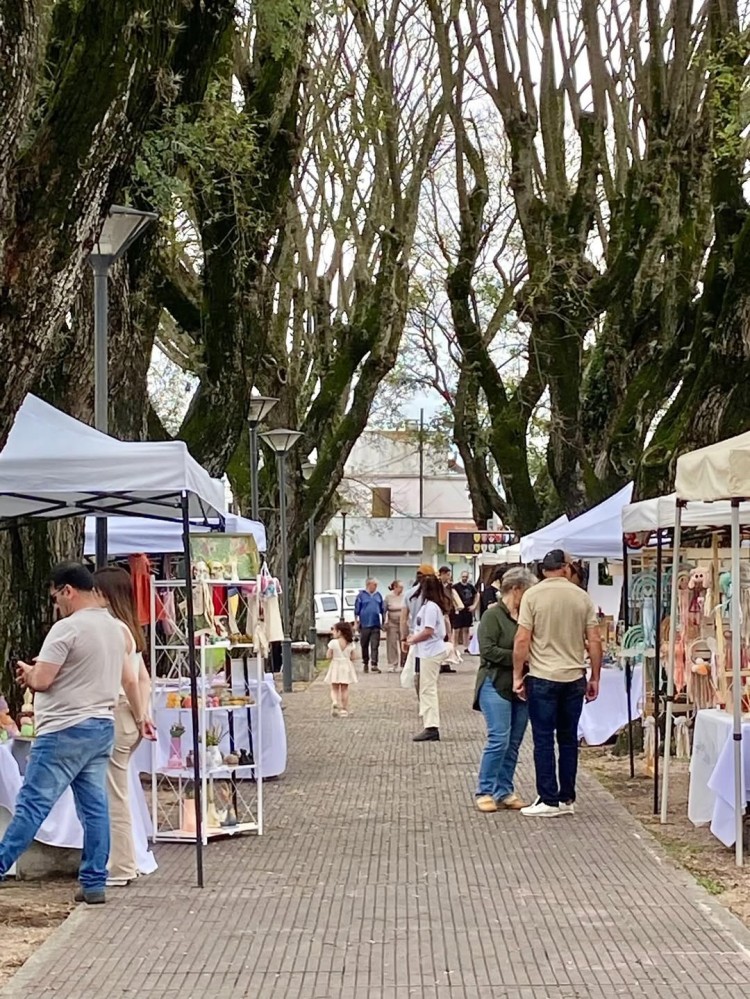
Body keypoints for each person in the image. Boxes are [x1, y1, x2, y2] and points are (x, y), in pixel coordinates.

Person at [0, 562, 129, 904]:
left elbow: (43, 681)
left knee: (31, 805)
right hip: (102, 725)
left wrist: (29, 673)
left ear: (68, 590)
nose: (56, 604)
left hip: (63, 729)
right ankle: (94, 881)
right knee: (95, 808)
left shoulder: (65, 629)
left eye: (56, 596)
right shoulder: (117, 629)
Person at [512, 549, 602, 818]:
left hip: (543, 676)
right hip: (574, 676)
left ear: (543, 570)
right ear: (565, 568)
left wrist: (518, 674)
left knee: (542, 739)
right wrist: (595, 675)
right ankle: (567, 797)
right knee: (568, 739)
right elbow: (595, 641)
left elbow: (522, 639)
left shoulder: (533, 596)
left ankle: (548, 798)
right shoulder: (581, 597)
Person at [93, 567, 155, 887]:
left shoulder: (112, 630)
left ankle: (122, 866)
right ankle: (124, 861)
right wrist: (142, 714)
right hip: (128, 715)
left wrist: (136, 711)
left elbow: (130, 680)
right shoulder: (128, 629)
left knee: (114, 795)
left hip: (117, 712)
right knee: (119, 792)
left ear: (104, 594)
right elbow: (143, 678)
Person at [473, 567, 537, 812]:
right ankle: (485, 790)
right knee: (499, 738)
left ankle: (505, 790)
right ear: (516, 589)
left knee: (514, 741)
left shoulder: (524, 616)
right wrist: (520, 656)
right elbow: (488, 650)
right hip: (495, 682)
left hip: (521, 684)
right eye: (528, 591)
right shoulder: (493, 616)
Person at [406, 574, 450, 742]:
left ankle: (432, 726)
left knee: (427, 689)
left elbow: (428, 630)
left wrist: (412, 640)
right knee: (425, 687)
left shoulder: (431, 607)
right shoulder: (430, 606)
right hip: (426, 651)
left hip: (431, 651)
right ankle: (429, 722)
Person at [324, 622, 358, 716]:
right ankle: (344, 709)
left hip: (336, 665)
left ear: (339, 632)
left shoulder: (333, 643)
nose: (333, 632)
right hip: (346, 665)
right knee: (344, 688)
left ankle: (335, 702)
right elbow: (354, 657)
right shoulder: (350, 643)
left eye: (334, 630)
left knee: (334, 687)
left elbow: (328, 655)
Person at [354, 578, 384, 673]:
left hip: (375, 624)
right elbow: (356, 610)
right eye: (374, 585)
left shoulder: (378, 595)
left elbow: (382, 610)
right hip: (365, 624)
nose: (375, 587)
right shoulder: (361, 596)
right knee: (364, 644)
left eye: (376, 585)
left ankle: (374, 664)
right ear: (368, 585)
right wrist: (356, 622)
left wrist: (383, 621)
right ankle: (365, 662)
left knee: (375, 645)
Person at [438, 565, 458, 674]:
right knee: (442, 638)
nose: (449, 577)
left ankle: (447, 663)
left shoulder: (450, 587)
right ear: (442, 574)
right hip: (441, 614)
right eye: (447, 574)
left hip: (450, 613)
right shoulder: (437, 586)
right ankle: (441, 663)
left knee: (449, 639)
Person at [452, 569, 478, 649]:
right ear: (460, 577)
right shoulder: (455, 587)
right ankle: (454, 647)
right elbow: (452, 597)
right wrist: (455, 606)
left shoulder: (471, 587)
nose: (464, 578)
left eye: (466, 577)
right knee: (456, 629)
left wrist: (474, 605)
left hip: (468, 610)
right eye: (463, 576)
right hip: (459, 611)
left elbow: (477, 595)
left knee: (466, 629)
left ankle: (466, 646)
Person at [384, 580, 405, 672]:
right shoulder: (388, 597)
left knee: (403, 642)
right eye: (400, 587)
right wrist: (385, 622)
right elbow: (384, 610)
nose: (402, 589)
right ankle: (392, 664)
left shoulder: (404, 596)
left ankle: (404, 663)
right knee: (391, 643)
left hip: (403, 621)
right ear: (395, 587)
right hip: (392, 622)